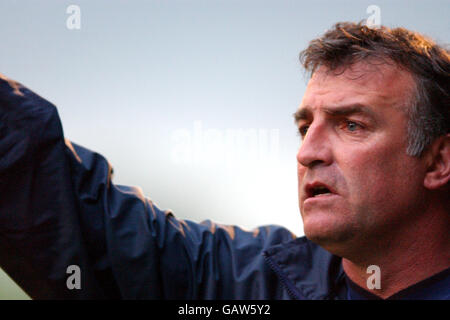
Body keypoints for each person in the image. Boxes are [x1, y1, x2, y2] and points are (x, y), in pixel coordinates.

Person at [0, 22, 448, 300]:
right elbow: (76, 216)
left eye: (351, 125)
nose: (308, 152)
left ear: (438, 161)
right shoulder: (246, 284)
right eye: (303, 127)